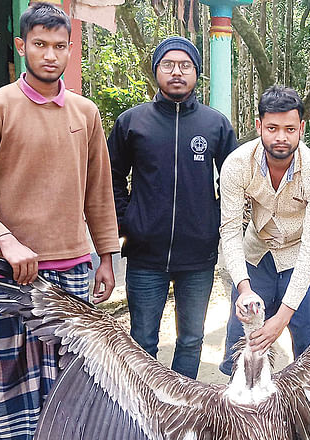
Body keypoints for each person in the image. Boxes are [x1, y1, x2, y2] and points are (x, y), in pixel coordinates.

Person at [0, 2, 120, 440]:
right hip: (9, 273)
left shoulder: (85, 114)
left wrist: (106, 257)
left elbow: (100, 193)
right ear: (22, 47)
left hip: (72, 266)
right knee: (10, 369)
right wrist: (5, 240)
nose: (51, 55)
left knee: (68, 373)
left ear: (71, 50)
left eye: (60, 45)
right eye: (40, 45)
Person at [108, 36, 238, 380]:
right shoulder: (132, 123)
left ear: (197, 73)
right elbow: (111, 176)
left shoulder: (215, 125)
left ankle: (184, 412)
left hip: (198, 255)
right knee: (142, 341)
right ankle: (144, 413)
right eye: (168, 64)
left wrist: (214, 222)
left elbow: (235, 182)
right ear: (156, 71)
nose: (176, 72)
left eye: (185, 65)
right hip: (144, 254)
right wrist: (128, 221)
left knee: (191, 339)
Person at [219, 85, 310, 374]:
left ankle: (309, 410)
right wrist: (244, 289)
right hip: (258, 251)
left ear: (302, 128)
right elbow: (230, 230)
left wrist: (281, 319)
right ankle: (241, 410)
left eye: (290, 129)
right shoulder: (236, 164)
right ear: (258, 125)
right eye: (272, 128)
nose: (281, 137)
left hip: (301, 254)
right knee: (241, 336)